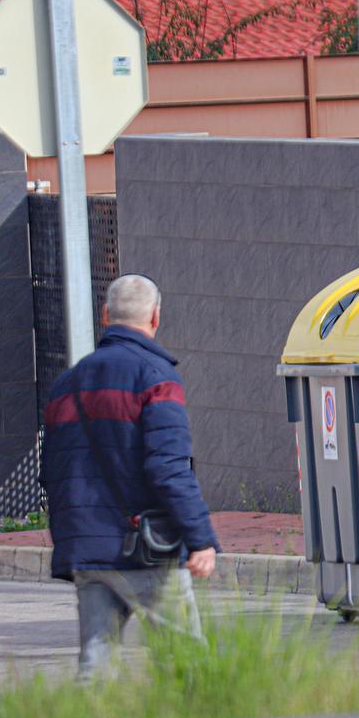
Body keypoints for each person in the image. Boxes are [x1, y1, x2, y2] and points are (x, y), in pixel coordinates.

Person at [40, 274, 220, 677]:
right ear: (155, 317)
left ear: (105, 315)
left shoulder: (65, 384)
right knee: (188, 664)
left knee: (95, 666)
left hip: (86, 548)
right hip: (144, 548)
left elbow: (51, 470)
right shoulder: (156, 378)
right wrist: (200, 538)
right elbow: (168, 467)